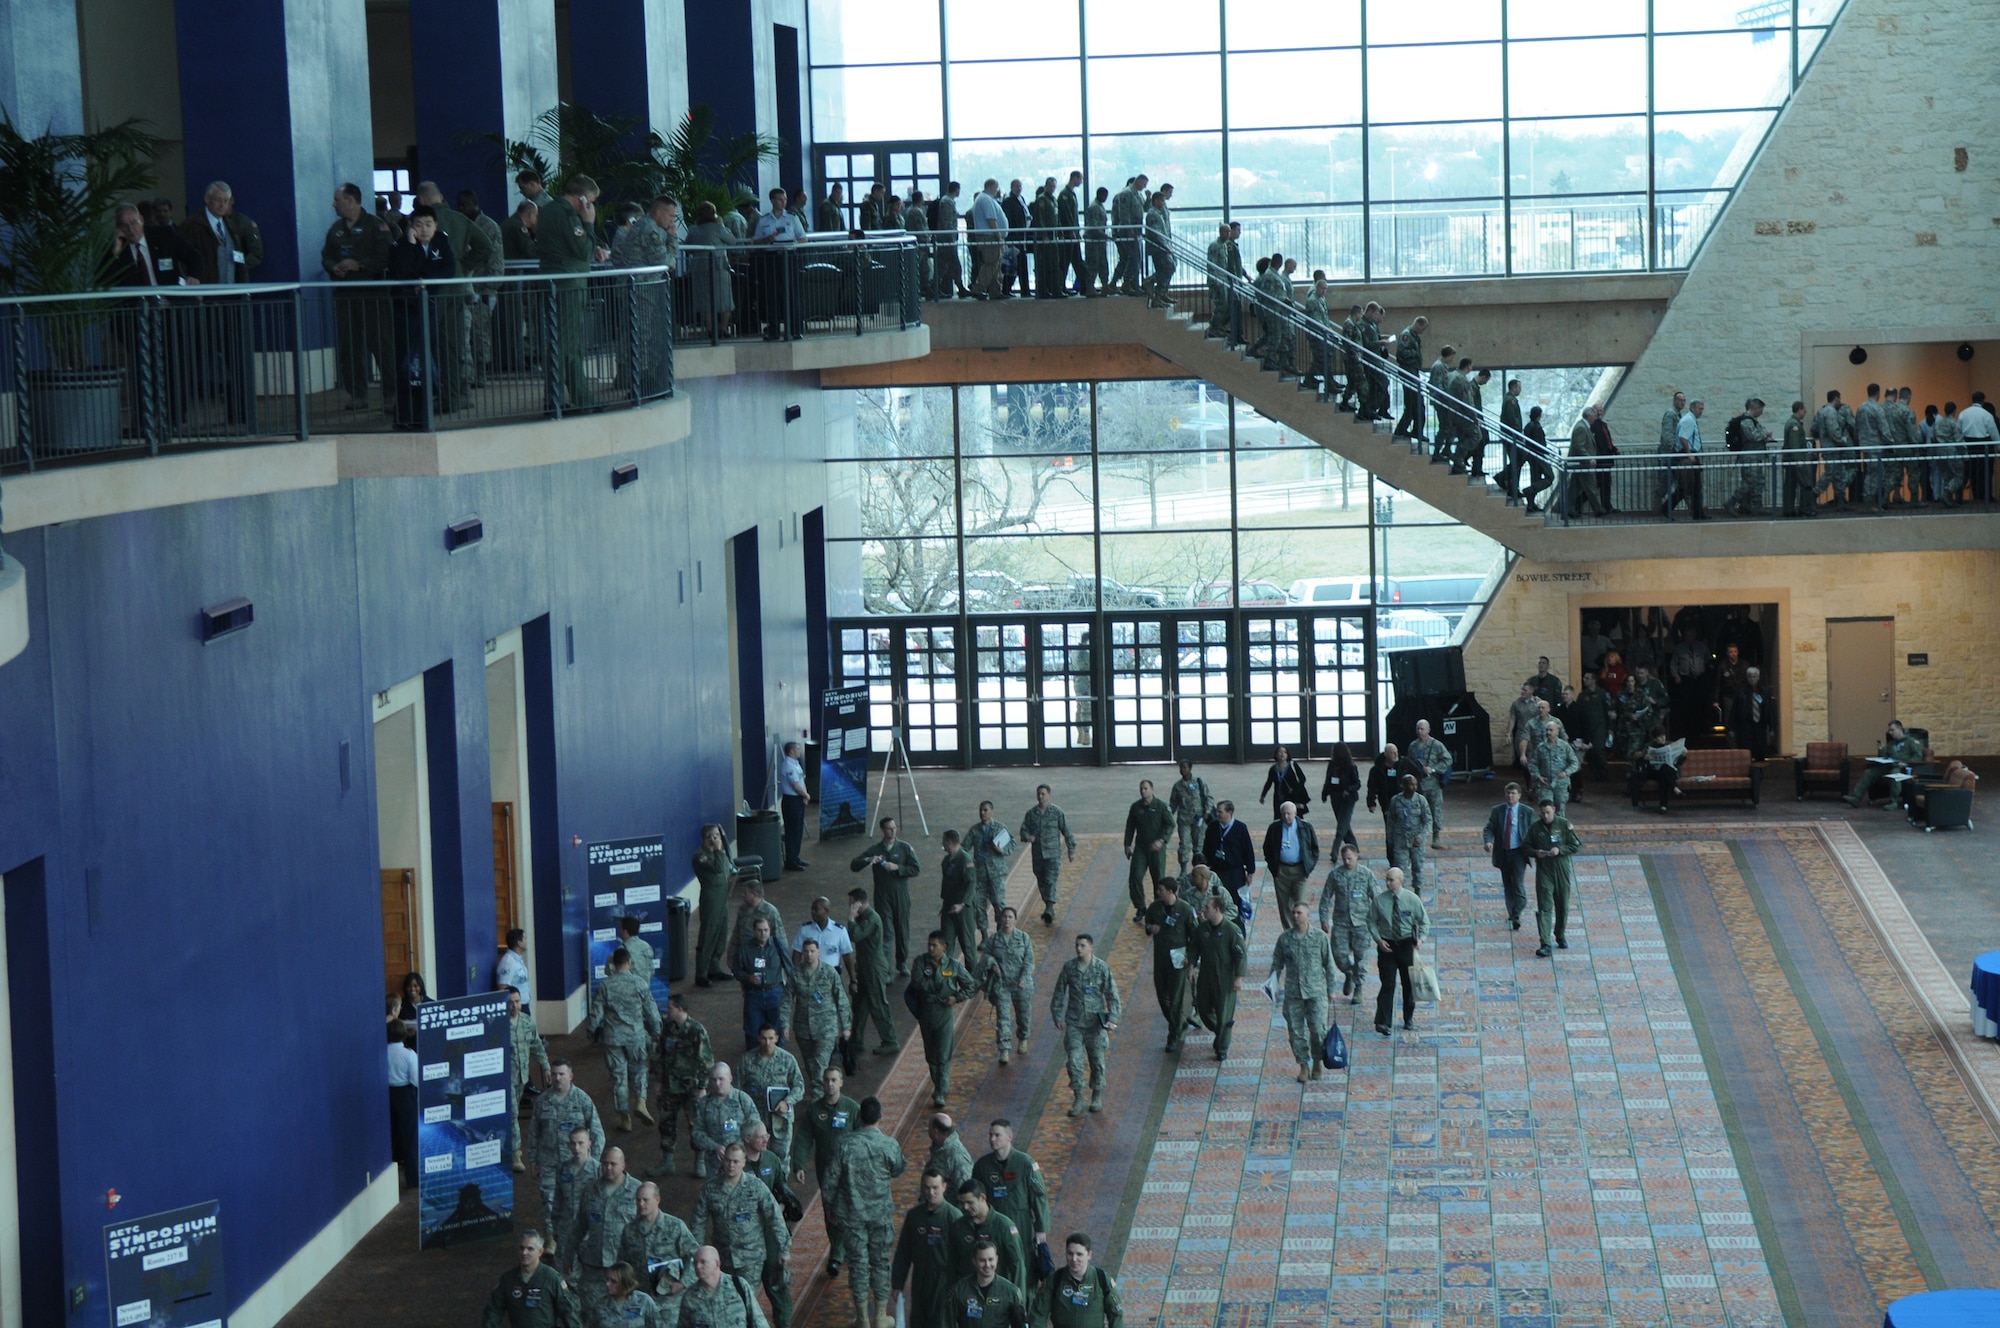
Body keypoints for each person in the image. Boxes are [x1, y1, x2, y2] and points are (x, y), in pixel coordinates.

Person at [822, 1095, 905, 1328]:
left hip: (851, 1215)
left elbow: (830, 1181)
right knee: (880, 1262)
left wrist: (830, 1207)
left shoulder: (844, 1144)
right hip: (880, 1214)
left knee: (858, 1264)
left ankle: (862, 1319)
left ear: (859, 1117)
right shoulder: (889, 1144)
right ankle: (880, 1317)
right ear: (879, 1117)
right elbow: (898, 1168)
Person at [697, 1142, 790, 1328]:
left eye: (736, 1161)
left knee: (743, 1303)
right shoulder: (710, 1189)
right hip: (722, 1259)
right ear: (722, 1161)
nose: (731, 1165)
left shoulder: (756, 1187)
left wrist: (784, 1248)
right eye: (728, 1161)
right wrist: (697, 1255)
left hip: (751, 1258)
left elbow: (775, 1217)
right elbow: (697, 1223)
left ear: (743, 1163)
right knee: (724, 1302)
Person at [319, 184, 394, 411]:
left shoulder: (376, 227)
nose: (334, 204)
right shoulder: (336, 230)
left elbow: (385, 257)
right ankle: (357, 394)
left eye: (337, 199)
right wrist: (335, 267)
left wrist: (359, 264)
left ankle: (391, 394)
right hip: (345, 295)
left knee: (382, 344)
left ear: (351, 201)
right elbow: (327, 256)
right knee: (349, 346)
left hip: (373, 295)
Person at [536, 175, 606, 410]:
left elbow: (568, 245)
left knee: (559, 342)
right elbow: (582, 251)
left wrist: (591, 244)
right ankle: (572, 398)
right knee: (568, 344)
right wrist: (588, 223)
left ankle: (558, 397)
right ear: (583, 198)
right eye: (591, 201)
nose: (592, 207)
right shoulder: (567, 214)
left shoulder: (547, 209)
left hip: (555, 281)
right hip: (569, 285)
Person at [383, 204, 456, 428]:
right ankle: (405, 417)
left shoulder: (441, 242)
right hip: (406, 312)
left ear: (435, 226)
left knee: (427, 360)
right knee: (407, 363)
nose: (424, 230)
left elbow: (448, 269)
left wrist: (425, 282)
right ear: (411, 227)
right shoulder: (400, 246)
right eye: (418, 225)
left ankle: (424, 416)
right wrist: (413, 247)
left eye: (428, 225)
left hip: (429, 308)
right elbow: (402, 272)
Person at [793, 1064, 861, 1272]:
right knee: (831, 1210)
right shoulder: (815, 1110)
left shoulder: (851, 1108)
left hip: (849, 1170)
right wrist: (799, 1164)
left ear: (841, 1082)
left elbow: (862, 1137)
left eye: (834, 1080)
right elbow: (804, 1137)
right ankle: (837, 1251)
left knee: (850, 1208)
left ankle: (850, 1247)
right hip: (826, 1170)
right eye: (827, 1080)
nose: (830, 1084)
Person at [566, 1148, 644, 1317]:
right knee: (592, 1311)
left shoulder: (638, 1192)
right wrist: (568, 1255)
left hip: (624, 1265)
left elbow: (645, 1228)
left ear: (623, 1165)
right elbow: (579, 1225)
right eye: (605, 1163)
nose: (608, 1168)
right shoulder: (591, 1190)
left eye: (613, 1164)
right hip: (594, 1265)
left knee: (624, 1313)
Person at [1050, 934, 1121, 1116]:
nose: (1078, 949)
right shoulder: (1069, 968)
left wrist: (1112, 1018)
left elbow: (1112, 994)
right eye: (1077, 945)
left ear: (1091, 947)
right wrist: (1057, 1014)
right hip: (1075, 1023)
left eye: (1082, 945)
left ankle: (1096, 1095)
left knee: (1097, 1062)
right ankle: (1079, 1096)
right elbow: (1059, 992)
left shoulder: (1101, 968)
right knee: (1074, 1060)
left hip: (1095, 1025)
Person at [1271, 901, 1338, 1084]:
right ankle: (1303, 1065)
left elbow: (1329, 965)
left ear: (1308, 916)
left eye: (1299, 913)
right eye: (1293, 913)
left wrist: (1331, 989)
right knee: (1296, 1032)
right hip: (1293, 993)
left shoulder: (1319, 938)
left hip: (1316, 992)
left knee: (1317, 1030)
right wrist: (1273, 985)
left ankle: (1317, 1061)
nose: (1295, 916)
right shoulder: (1285, 939)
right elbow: (1277, 963)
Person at [910, 931, 977, 1107]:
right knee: (931, 1053)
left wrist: (956, 998)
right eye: (929, 945)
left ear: (944, 947)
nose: (931, 948)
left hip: (944, 1013)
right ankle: (937, 1083)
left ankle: (941, 1090)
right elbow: (916, 982)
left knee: (943, 1053)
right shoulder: (920, 962)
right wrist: (939, 986)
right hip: (926, 1013)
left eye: (935, 945)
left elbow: (970, 985)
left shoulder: (953, 966)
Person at [893, 1170, 964, 1328]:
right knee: (918, 1320)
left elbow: (963, 1256)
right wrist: (897, 1284)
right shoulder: (914, 1216)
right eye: (926, 1188)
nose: (930, 1192)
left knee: (941, 1322)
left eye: (935, 1187)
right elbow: (903, 1252)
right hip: (920, 1279)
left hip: (945, 1282)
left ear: (944, 1187)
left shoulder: (954, 1217)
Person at [535, 1060, 606, 1216]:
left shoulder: (582, 1100)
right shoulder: (542, 1101)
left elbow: (598, 1134)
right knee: (549, 1201)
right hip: (549, 1163)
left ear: (571, 1076)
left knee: (579, 1204)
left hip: (576, 1163)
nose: (557, 1078)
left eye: (562, 1074)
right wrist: (535, 1162)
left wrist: (591, 1162)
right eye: (554, 1074)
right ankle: (551, 1237)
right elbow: (534, 1134)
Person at [851, 817, 920, 975]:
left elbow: (916, 869)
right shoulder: (876, 850)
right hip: (883, 897)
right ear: (882, 830)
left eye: (894, 828)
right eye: (889, 828)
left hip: (901, 895)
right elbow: (854, 864)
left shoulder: (904, 848)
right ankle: (887, 969)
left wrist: (898, 867)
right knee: (886, 933)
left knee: (902, 930)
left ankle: (902, 962)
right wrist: (868, 860)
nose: (893, 831)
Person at [618, 1182, 698, 1319]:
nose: (641, 1204)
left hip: (668, 1304)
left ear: (657, 1200)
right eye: (638, 1200)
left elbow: (695, 1256)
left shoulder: (675, 1226)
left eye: (645, 1200)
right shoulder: (629, 1230)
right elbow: (622, 1264)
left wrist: (683, 1283)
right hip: (640, 1300)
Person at [657, 995, 715, 1176]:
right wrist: (658, 1080)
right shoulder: (667, 1027)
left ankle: (700, 1161)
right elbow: (659, 1054)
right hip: (669, 1087)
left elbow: (707, 1061)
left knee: (695, 1125)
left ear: (680, 1009)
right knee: (666, 1123)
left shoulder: (697, 1031)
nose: (668, 1010)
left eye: (671, 1007)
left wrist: (702, 1087)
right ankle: (667, 1161)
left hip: (691, 1088)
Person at [1368, 867, 1429, 1037]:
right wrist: (1378, 940)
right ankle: (1383, 1022)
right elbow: (1371, 921)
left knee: (1408, 984)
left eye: (1391, 880)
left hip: (1406, 945)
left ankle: (1408, 1017)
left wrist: (1421, 939)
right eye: (1386, 879)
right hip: (1387, 946)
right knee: (1387, 984)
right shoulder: (1380, 901)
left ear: (1400, 881)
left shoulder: (1412, 899)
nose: (1388, 883)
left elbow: (1424, 921)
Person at [785, 936, 850, 1091]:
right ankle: (823, 1090)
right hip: (803, 1028)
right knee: (810, 1065)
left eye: (812, 951)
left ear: (818, 952)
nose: (809, 955)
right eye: (806, 951)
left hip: (825, 1028)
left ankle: (818, 1101)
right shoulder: (795, 974)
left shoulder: (829, 973)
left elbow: (841, 999)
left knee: (820, 1065)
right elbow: (786, 999)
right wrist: (784, 1023)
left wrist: (846, 1026)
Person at [1142, 877, 1198, 1053]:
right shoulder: (1155, 908)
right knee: (1162, 996)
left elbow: (1194, 936)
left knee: (1175, 1000)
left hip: (1179, 960)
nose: (1158, 892)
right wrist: (1151, 928)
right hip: (1160, 959)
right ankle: (1180, 1022)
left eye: (1161, 889)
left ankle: (1172, 1036)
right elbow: (1147, 923)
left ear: (1171, 891)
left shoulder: (1185, 910)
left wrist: (1191, 960)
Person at [739, 1024, 804, 1177]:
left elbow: (799, 1086)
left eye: (770, 1038)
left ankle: (781, 1191)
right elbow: (739, 1089)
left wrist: (787, 1102)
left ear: (777, 1038)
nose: (767, 1042)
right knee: (754, 1156)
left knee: (781, 1157)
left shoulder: (787, 1060)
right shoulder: (747, 1060)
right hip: (756, 1119)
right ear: (758, 1038)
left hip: (780, 1119)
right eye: (763, 1038)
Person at [1189, 893, 1246, 1059]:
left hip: (1225, 978)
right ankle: (1222, 1031)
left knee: (1223, 1013)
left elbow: (1241, 955)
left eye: (1207, 908)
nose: (1204, 910)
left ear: (1217, 910)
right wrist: (1191, 965)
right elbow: (1194, 947)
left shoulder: (1231, 931)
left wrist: (1238, 977)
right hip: (1206, 975)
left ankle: (1221, 1047)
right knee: (1204, 1009)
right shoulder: (1202, 929)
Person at [1317, 843, 1376, 1004]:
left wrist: (1378, 920)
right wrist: (1323, 919)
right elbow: (1325, 898)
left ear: (1357, 856)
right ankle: (1349, 972)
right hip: (1341, 922)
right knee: (1339, 955)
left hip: (1361, 923)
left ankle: (1358, 987)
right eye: (1344, 859)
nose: (1347, 861)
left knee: (1361, 957)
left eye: (1350, 858)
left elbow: (1376, 898)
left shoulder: (1366, 874)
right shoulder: (1335, 875)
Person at [484, 1230, 580, 1328]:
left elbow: (568, 1312)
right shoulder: (508, 1279)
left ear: (540, 1252)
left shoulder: (552, 1278)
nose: (524, 1253)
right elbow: (494, 1311)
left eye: (530, 1249)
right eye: (521, 1248)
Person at [1524, 798, 1582, 959]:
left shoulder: (1564, 824)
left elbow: (1576, 844)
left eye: (1548, 812)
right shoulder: (1535, 828)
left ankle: (1560, 934)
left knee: (1562, 905)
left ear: (1554, 810)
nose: (1545, 816)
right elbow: (1525, 847)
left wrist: (1560, 849)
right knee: (1545, 906)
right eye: (1542, 813)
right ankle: (1545, 943)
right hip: (1544, 870)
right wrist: (1536, 852)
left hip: (1561, 869)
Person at [980, 906, 1035, 1065]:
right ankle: (1004, 1049)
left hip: (1020, 985)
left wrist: (1024, 978)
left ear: (1015, 920)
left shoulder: (1024, 938)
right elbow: (985, 958)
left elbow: (1029, 961)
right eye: (1004, 917)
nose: (1007, 920)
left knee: (1023, 1015)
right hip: (1002, 985)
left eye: (1010, 917)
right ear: (1000, 919)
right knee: (1003, 1018)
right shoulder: (993, 940)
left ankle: (1023, 1037)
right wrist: (991, 965)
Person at [750, 187, 806, 340]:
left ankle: (795, 329)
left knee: (791, 293)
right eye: (780, 199)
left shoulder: (792, 218)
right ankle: (773, 330)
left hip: (788, 256)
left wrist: (792, 243)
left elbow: (803, 238)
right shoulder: (764, 220)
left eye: (785, 199)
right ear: (773, 201)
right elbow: (755, 242)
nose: (783, 202)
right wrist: (767, 240)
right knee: (772, 294)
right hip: (771, 257)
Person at [847, 889, 897, 1055]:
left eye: (852, 903)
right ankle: (856, 1040)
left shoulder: (871, 918)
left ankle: (890, 1041)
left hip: (874, 967)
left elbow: (855, 935)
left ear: (859, 903)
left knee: (878, 1004)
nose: (850, 906)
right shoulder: (864, 917)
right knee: (860, 1005)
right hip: (865, 966)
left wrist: (851, 919)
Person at [691, 1063, 761, 1180]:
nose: (717, 1084)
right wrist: (714, 1146)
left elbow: (756, 1128)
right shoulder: (704, 1103)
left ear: (730, 1078)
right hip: (715, 1164)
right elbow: (697, 1133)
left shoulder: (742, 1099)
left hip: (742, 1163)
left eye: (721, 1079)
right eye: (713, 1080)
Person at [1019, 785, 1077, 925]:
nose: (1041, 797)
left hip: (1052, 854)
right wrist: (1027, 837)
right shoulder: (1031, 814)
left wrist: (1071, 850)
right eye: (1039, 794)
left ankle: (1049, 908)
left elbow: (1067, 831)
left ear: (1049, 795)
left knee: (1050, 880)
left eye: (1043, 794)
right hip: (1038, 854)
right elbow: (1023, 831)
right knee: (1041, 880)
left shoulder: (1057, 813)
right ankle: (1047, 903)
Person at [508, 986, 551, 1170]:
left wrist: (546, 1067)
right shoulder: (496, 1025)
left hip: (521, 1078)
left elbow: (537, 1047)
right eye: (510, 1002)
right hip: (505, 1078)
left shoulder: (526, 1022)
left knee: (513, 1111)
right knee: (512, 1114)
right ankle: (515, 1153)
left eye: (517, 1001)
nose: (514, 1006)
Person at [675, 1245, 769, 1328]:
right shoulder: (690, 1296)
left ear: (717, 1263)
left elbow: (758, 1320)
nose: (698, 1266)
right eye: (695, 1263)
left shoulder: (738, 1285)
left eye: (703, 1262)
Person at [1120, 780, 1174, 922]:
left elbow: (1170, 824)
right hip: (1141, 848)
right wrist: (1127, 845)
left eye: (1146, 788)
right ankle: (1140, 907)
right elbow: (1130, 826)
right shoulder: (1135, 807)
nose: (1143, 791)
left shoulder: (1161, 807)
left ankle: (1157, 908)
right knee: (1135, 876)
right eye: (1141, 789)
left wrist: (1162, 840)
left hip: (1157, 849)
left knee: (1158, 879)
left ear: (1152, 790)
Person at [682, 202, 737, 340]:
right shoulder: (718, 228)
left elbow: (688, 247)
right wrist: (722, 225)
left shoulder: (693, 229)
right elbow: (732, 241)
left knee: (706, 300)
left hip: (699, 268)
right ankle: (724, 328)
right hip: (719, 267)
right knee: (724, 299)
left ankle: (711, 329)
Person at [1259, 799, 1320, 923]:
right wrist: (1273, 867)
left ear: (1295, 814)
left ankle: (1302, 928)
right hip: (1282, 871)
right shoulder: (1274, 827)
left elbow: (1314, 848)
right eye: (1283, 814)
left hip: (1300, 870)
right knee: (1285, 905)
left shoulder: (1305, 827)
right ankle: (1289, 931)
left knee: (1301, 903)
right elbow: (1267, 848)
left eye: (1289, 814)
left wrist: (1309, 865)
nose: (1286, 817)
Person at [734, 918, 790, 1052]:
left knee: (777, 1029)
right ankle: (754, 1059)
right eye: (759, 930)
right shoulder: (746, 948)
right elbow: (736, 970)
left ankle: (778, 1058)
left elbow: (789, 968)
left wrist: (791, 991)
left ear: (770, 930)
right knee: (752, 1030)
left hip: (775, 992)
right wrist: (747, 978)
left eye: (766, 930)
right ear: (754, 931)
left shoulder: (778, 945)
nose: (763, 933)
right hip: (754, 994)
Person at [1482, 783, 1532, 931]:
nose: (1510, 796)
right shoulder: (1497, 811)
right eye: (1508, 793)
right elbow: (1489, 828)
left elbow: (1533, 830)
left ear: (1519, 795)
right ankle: (1512, 912)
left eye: (1513, 793)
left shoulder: (1526, 812)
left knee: (1517, 884)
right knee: (1507, 885)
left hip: (1519, 853)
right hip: (1503, 852)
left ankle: (1517, 912)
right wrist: (1488, 841)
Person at [1845, 720, 1926, 808]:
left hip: (1902, 767)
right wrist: (1881, 749)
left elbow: (1918, 757)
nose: (1890, 733)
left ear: (1900, 729)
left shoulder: (1910, 741)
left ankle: (1893, 802)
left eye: (1892, 730)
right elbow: (1884, 757)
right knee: (1869, 772)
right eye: (1889, 731)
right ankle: (1856, 798)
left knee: (1894, 774)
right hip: (1888, 765)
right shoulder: (1891, 744)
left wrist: (1906, 763)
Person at [1201, 801, 1256, 930]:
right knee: (1217, 901)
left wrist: (1250, 872)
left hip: (1235, 873)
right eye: (1217, 811)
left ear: (1229, 812)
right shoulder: (1213, 827)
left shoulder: (1240, 828)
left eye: (1220, 811)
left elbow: (1248, 850)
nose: (1217, 814)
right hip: (1217, 871)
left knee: (1235, 902)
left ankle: (1237, 931)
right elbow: (1206, 847)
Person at [948, 1239, 1028, 1328]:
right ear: (974, 1261)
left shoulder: (1011, 1292)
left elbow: (1021, 1324)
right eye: (982, 1260)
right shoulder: (959, 1291)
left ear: (997, 1259)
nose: (987, 1265)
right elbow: (946, 1323)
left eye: (991, 1259)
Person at [936, 829, 982, 974]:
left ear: (949, 842)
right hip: (949, 907)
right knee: (945, 943)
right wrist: (944, 905)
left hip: (964, 909)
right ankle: (946, 976)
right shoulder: (946, 861)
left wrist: (962, 904)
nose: (942, 844)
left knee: (967, 944)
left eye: (944, 841)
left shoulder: (965, 860)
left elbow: (971, 884)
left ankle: (972, 978)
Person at [965, 801, 1010, 943]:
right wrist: (967, 861)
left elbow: (1011, 843)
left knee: (998, 902)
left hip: (996, 872)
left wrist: (1001, 850)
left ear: (992, 812)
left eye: (985, 810)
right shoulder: (975, 830)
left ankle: (999, 933)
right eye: (981, 810)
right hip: (979, 874)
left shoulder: (1000, 828)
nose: (982, 813)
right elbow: (964, 847)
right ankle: (984, 935)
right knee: (979, 905)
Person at [1386, 774, 1433, 897]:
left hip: (1416, 840)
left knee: (1417, 868)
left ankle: (1418, 893)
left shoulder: (1421, 800)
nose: (1413, 787)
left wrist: (1421, 837)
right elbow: (1390, 821)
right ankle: (1402, 895)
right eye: (1410, 784)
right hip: (1400, 839)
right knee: (1400, 870)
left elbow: (1428, 821)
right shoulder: (1395, 800)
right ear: (1403, 785)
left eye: (1415, 784)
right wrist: (1390, 839)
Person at [1407, 719, 1450, 849]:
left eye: (1422, 729)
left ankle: (1436, 837)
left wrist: (1434, 769)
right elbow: (1409, 763)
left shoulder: (1436, 745)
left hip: (1433, 785)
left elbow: (1447, 759)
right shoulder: (1413, 746)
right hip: (1417, 785)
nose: (1420, 731)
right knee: (1417, 812)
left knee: (1435, 811)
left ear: (1428, 729)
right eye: (1418, 728)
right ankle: (1417, 837)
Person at [1167, 761, 1213, 878]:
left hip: (1199, 820)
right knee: (1184, 845)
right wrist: (1166, 815)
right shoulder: (1177, 786)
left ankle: (1199, 869)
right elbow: (1173, 804)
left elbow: (1209, 797)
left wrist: (1207, 811)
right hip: (1184, 820)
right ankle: (1183, 870)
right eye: (1181, 768)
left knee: (1199, 845)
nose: (1182, 770)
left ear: (1190, 768)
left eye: (1185, 767)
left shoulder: (1199, 782)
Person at [387, 1019, 419, 1187]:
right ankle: (413, 1179)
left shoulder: (382, 1052)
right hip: (405, 1094)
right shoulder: (409, 1054)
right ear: (405, 1034)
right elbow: (415, 1079)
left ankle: (387, 1182)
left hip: (387, 1094)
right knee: (410, 1138)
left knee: (390, 1137)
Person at [1528, 719, 1580, 817]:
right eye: (1546, 730)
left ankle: (1559, 830)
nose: (1548, 732)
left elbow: (1575, 763)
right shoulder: (1541, 747)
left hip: (1560, 785)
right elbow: (1532, 764)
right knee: (1546, 809)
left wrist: (1566, 772)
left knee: (1559, 809)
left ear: (1557, 732)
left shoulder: (1565, 746)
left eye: (1551, 730)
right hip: (1545, 784)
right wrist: (1538, 776)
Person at [1627, 725, 1682, 812]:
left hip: (1669, 772)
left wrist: (1683, 755)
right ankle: (1674, 789)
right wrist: (1645, 757)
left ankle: (1664, 805)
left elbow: (1679, 763)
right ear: (1655, 739)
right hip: (1654, 772)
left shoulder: (1670, 745)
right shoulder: (1649, 746)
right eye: (1659, 737)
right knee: (1664, 773)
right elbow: (1641, 758)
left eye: (1663, 736)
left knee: (1665, 771)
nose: (1663, 738)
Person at [967, 180, 1007, 299]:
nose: (997, 190)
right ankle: (977, 289)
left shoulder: (985, 198)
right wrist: (998, 235)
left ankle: (995, 291)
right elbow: (991, 219)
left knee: (995, 264)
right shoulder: (985, 199)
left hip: (989, 236)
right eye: (996, 187)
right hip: (990, 237)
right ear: (990, 187)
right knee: (991, 263)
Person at [1108, 174, 1147, 295]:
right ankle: (1126, 283)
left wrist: (1149, 198)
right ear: (1138, 181)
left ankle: (1126, 283)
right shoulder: (1126, 194)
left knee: (1134, 259)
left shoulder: (1138, 195)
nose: (1144, 187)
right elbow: (1123, 213)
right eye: (1144, 184)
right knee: (1132, 258)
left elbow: (1144, 208)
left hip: (1136, 232)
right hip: (1126, 232)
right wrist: (1128, 228)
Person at [1318, 744, 1361, 850]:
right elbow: (1328, 780)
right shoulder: (1332, 765)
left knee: (1342, 826)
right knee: (1344, 824)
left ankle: (1335, 850)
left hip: (1348, 798)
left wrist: (1348, 790)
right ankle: (1354, 848)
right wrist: (1325, 793)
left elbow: (1357, 783)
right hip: (1335, 796)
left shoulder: (1351, 766)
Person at [776, 741, 811, 871]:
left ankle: (795, 857)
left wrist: (804, 795)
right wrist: (805, 795)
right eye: (797, 749)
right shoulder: (788, 766)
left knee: (798, 830)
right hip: (791, 801)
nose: (799, 751)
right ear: (791, 751)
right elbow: (795, 785)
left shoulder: (796, 764)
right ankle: (790, 861)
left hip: (798, 799)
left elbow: (801, 781)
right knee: (792, 831)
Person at [1141, 183, 1175, 308]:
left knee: (1170, 266)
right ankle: (1152, 286)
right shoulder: (1153, 214)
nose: (1163, 202)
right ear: (1156, 201)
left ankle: (1161, 293)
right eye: (1162, 200)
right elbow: (1157, 233)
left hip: (1164, 245)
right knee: (1167, 267)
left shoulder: (1159, 212)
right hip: (1158, 247)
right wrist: (1166, 246)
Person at [926, 1113, 975, 1194]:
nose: (928, 1130)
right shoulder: (939, 1147)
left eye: (929, 1127)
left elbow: (966, 1192)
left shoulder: (957, 1156)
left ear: (936, 1131)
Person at [1259, 746, 1311, 812]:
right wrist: (1263, 795)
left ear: (1287, 754)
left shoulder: (1293, 765)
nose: (1282, 754)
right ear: (1276, 754)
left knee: (1293, 815)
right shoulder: (1273, 769)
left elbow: (1302, 779)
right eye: (1280, 752)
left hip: (1292, 796)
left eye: (1285, 752)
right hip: (1279, 797)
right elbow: (1269, 783)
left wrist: (1295, 789)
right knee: (1279, 816)